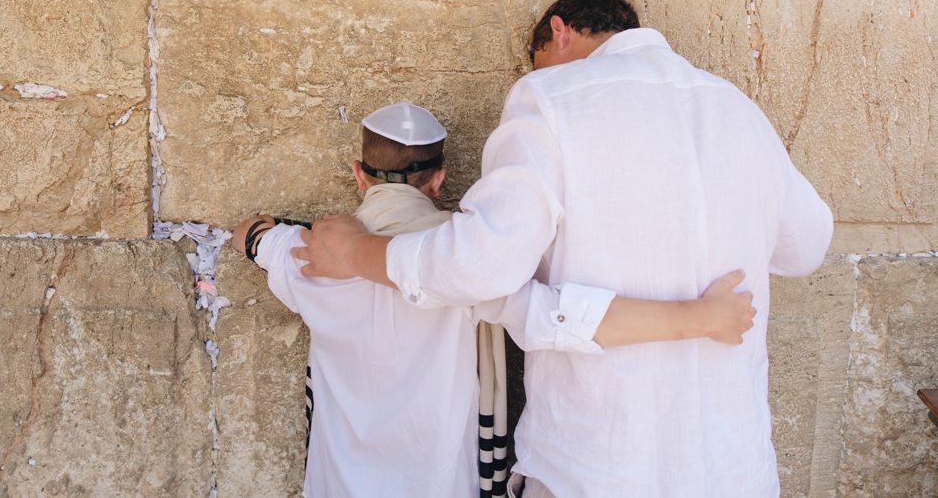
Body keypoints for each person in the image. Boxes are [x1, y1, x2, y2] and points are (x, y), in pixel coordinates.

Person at [295, 0, 834, 497]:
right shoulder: (737, 107)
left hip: (595, 462)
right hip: (732, 465)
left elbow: (479, 265)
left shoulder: (551, 98)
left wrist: (355, 253)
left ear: (559, 32)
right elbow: (806, 246)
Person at [234, 100, 757, 498]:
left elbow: (250, 234)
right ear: (438, 179)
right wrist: (701, 317)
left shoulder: (307, 256)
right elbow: (564, 319)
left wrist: (285, 231)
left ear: (357, 172)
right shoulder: (465, 263)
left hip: (337, 484)